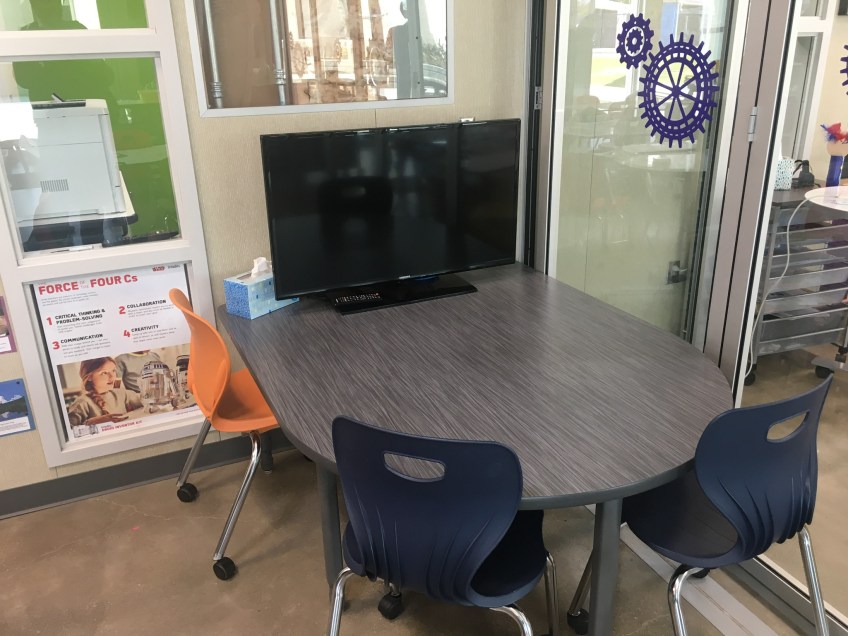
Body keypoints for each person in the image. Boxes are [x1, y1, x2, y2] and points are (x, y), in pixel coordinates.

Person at [67, 357, 143, 427]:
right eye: (104, 373)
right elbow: (70, 430)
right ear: (89, 377)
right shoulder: (82, 403)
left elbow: (145, 399)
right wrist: (91, 422)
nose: (112, 377)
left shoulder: (122, 394)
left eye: (113, 371)